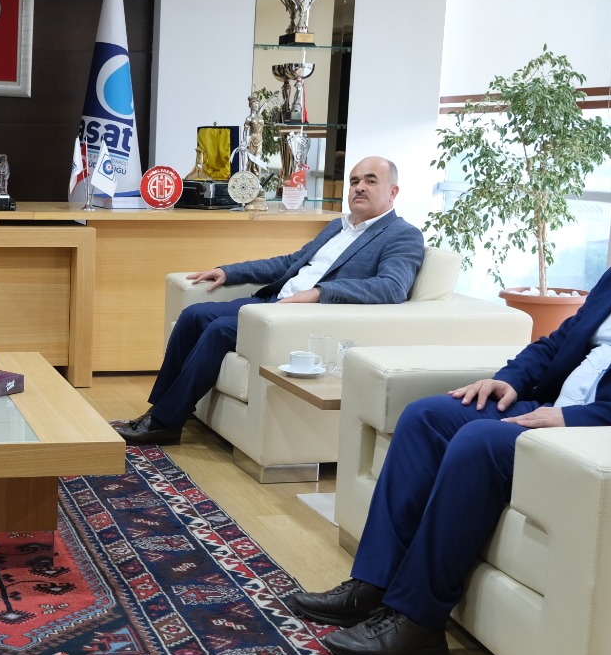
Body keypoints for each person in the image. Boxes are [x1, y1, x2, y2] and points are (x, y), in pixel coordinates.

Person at [288, 155, 611, 655]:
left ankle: (417, 621)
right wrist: (509, 379)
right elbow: (558, 342)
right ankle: (373, 585)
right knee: (428, 416)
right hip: (557, 411)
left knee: (481, 441)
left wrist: (575, 421)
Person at [117, 156, 425, 445]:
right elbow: (290, 262)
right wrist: (229, 272)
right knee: (193, 315)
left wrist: (320, 293)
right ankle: (161, 409)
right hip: (274, 302)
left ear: (393, 191)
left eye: (370, 180)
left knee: (219, 330)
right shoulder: (337, 227)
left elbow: (391, 287)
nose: (359, 187)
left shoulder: (402, 235)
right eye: (354, 181)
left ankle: (165, 423)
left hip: (305, 316)